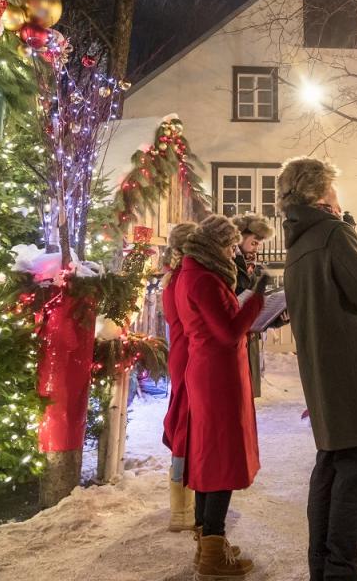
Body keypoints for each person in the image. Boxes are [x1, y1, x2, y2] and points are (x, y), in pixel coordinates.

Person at [279, 157, 357, 580]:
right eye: (333, 190)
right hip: (355, 374)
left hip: (325, 374)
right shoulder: (333, 233)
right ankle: (342, 572)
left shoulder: (298, 243)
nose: (338, 198)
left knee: (331, 470)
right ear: (320, 195)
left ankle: (324, 568)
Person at [174, 215, 268, 577]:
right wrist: (257, 300)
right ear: (215, 246)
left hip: (211, 371)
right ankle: (213, 549)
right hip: (218, 376)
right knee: (222, 460)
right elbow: (229, 331)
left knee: (208, 456)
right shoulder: (206, 279)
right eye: (230, 247)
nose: (233, 254)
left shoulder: (193, 273)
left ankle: (207, 545)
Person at [160, 223, 197, 534]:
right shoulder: (186, 277)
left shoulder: (173, 277)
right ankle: (182, 510)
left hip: (180, 354)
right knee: (186, 429)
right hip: (190, 356)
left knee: (184, 425)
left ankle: (184, 506)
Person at [232, 212, 278, 399]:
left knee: (245, 395)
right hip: (235, 338)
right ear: (240, 237)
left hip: (248, 337)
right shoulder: (230, 265)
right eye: (254, 241)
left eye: (259, 242)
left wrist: (275, 318)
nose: (257, 246)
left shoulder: (254, 266)